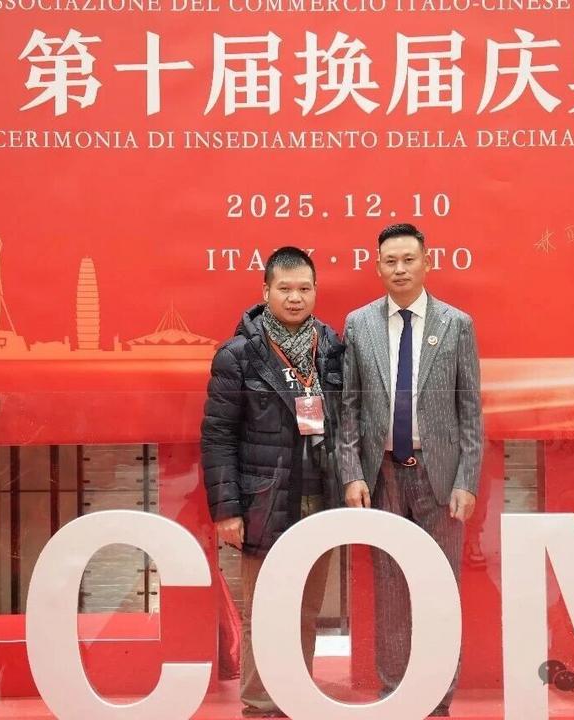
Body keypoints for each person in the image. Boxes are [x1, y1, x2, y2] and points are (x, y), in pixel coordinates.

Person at [338, 222, 483, 717]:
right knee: (390, 586)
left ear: (426, 262)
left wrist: (467, 479)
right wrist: (352, 472)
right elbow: (349, 407)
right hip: (381, 474)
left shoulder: (456, 324)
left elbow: (470, 410)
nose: (400, 269)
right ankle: (394, 692)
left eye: (408, 259)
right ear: (378, 267)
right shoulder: (359, 324)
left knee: (441, 585)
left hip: (439, 476)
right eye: (390, 261)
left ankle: (439, 697)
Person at [201, 246, 344, 718]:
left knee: (307, 606)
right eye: (285, 288)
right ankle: (261, 703)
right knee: (263, 607)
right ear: (266, 292)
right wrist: (227, 509)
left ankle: (298, 696)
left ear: (315, 291)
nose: (295, 297)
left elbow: (348, 423)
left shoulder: (331, 349)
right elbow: (218, 436)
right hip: (263, 500)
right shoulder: (238, 355)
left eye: (304, 288)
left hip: (320, 497)